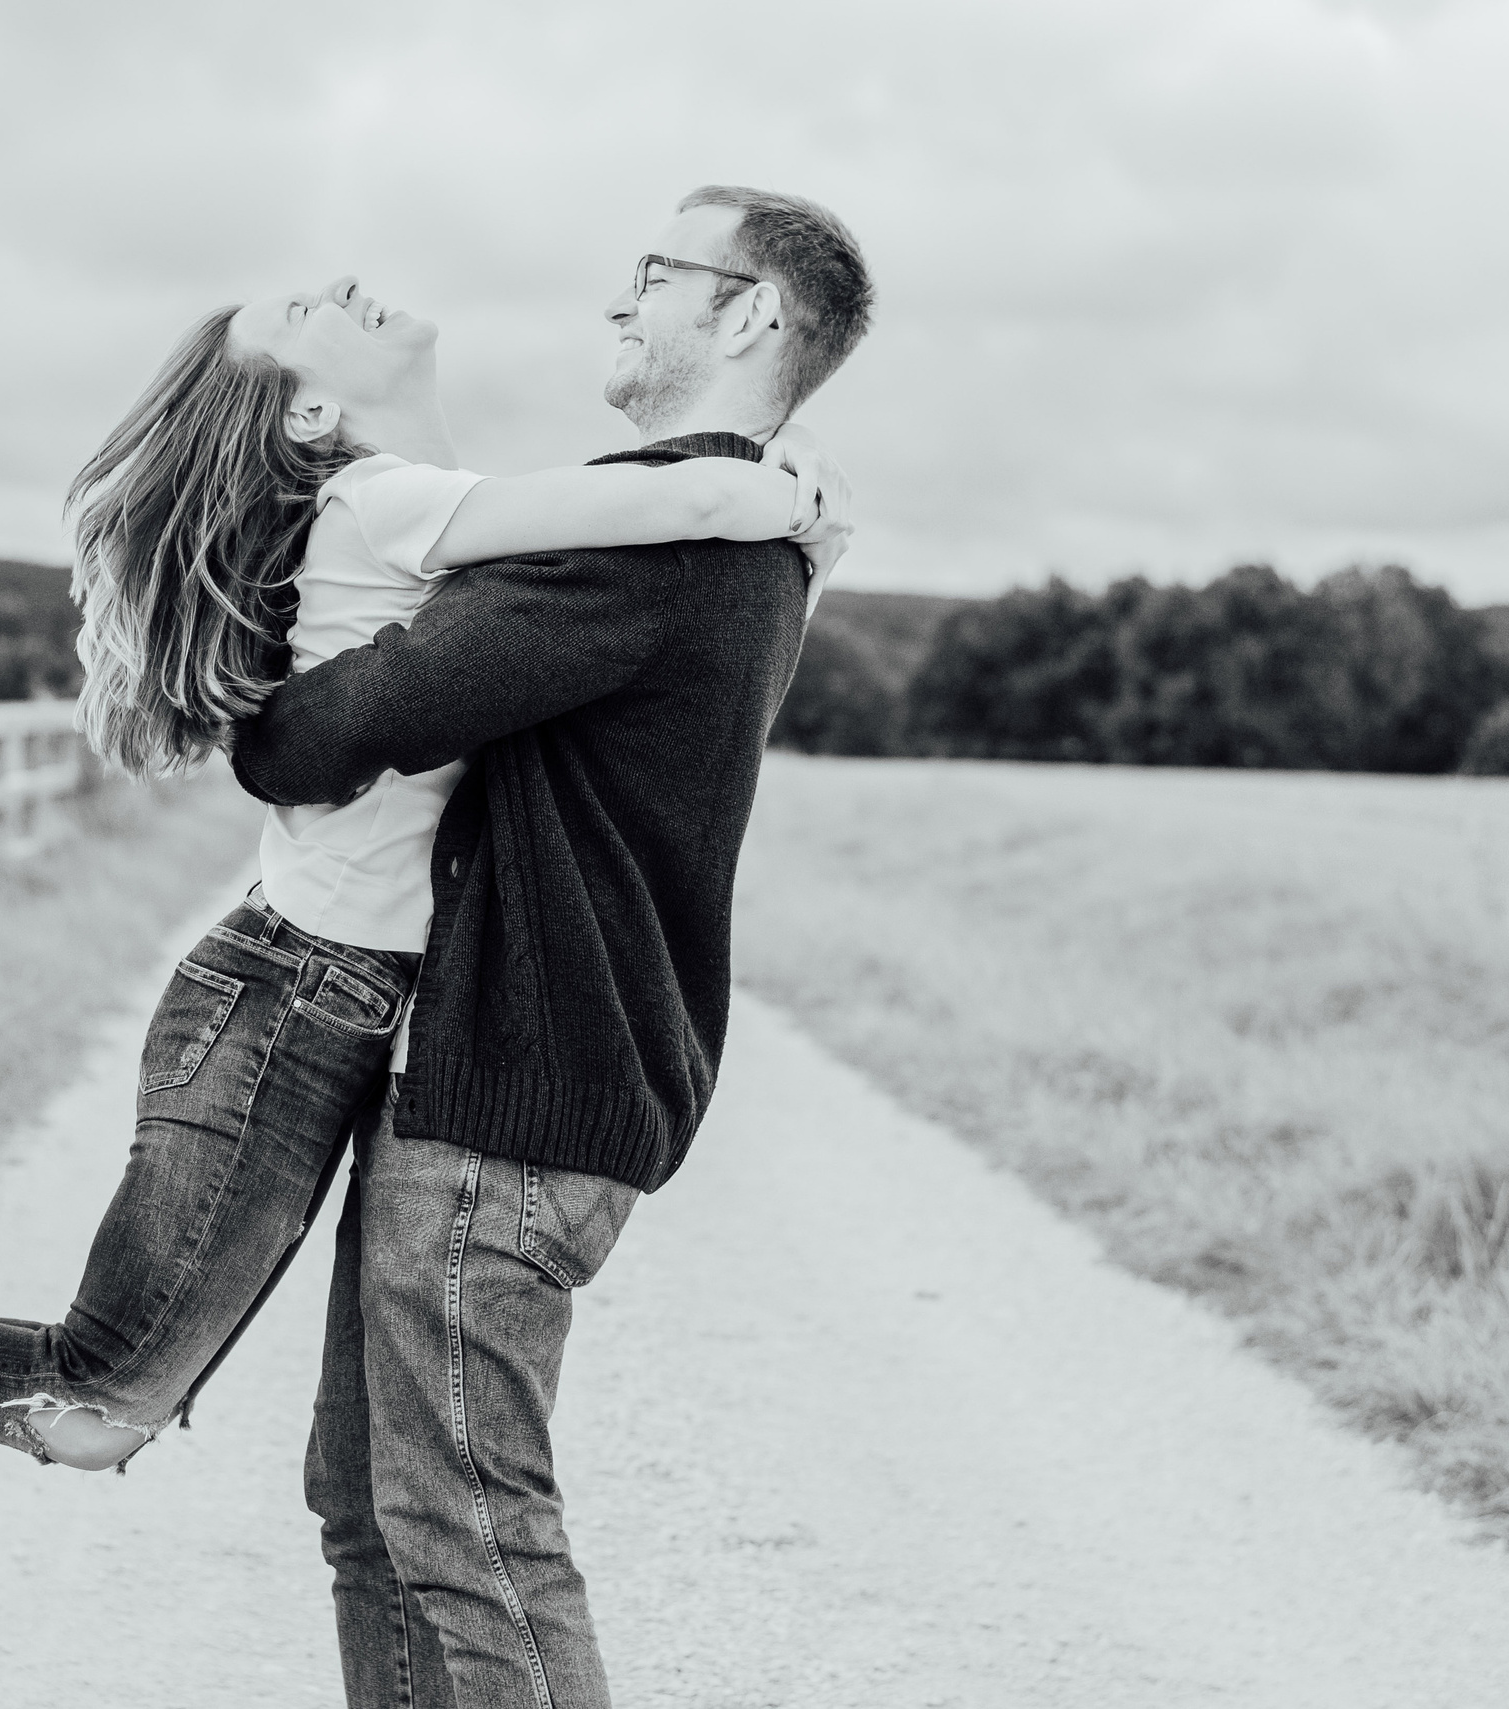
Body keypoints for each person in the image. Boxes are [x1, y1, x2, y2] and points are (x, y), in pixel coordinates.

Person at [0, 222, 852, 1577]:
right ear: (311, 409)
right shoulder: (396, 504)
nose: (344, 286)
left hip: (327, 999)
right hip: (299, 993)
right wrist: (784, 508)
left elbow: (539, 565)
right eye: (306, 316)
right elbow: (671, 504)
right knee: (97, 1397)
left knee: (99, 1403)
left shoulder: (415, 502)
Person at [228, 184, 875, 1707]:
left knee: (468, 1531)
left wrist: (254, 692)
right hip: (499, 1082)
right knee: (377, 1515)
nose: (621, 299)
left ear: (749, 314)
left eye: (657, 272)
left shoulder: (655, 537)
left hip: (515, 1098)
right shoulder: (731, 520)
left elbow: (338, 726)